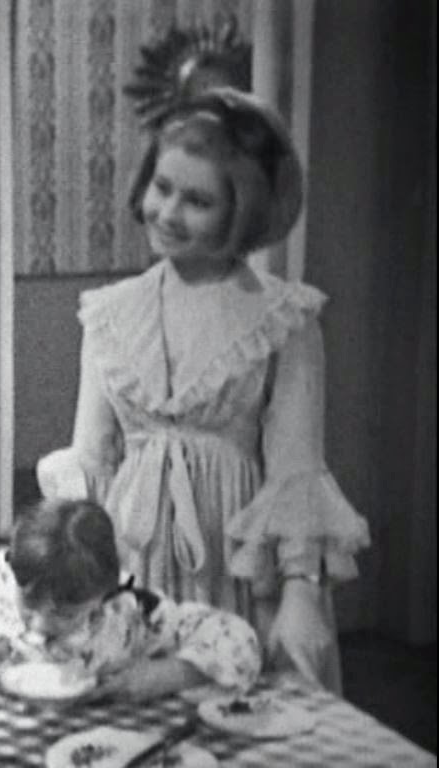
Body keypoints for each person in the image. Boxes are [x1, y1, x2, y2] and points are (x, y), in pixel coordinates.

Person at [36, 87, 370, 694]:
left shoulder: (284, 320)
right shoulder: (109, 314)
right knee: (134, 712)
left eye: (197, 201)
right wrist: (66, 565)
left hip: (235, 565)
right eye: (162, 187)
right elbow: (90, 460)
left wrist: (301, 593)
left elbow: (297, 471)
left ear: (241, 211)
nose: (168, 212)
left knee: (236, 711)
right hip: (134, 561)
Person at [0, 499, 262, 745]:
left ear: (104, 593)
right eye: (28, 604)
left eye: (66, 614)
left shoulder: (128, 612)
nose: (38, 627)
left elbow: (238, 640)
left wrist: (172, 673)